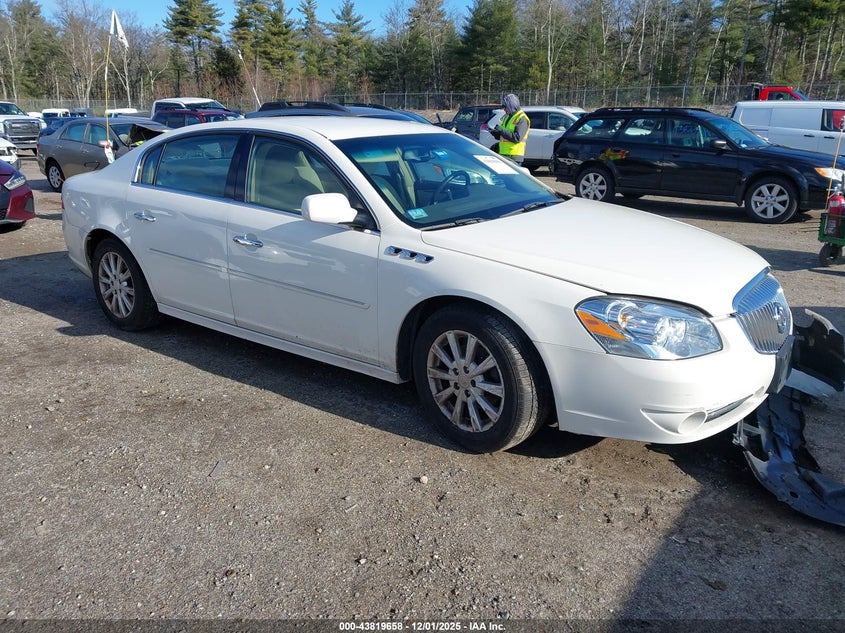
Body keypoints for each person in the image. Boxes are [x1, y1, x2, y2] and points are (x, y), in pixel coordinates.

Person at [490, 94, 530, 165]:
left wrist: (501, 131)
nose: (504, 109)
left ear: (512, 105)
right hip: (504, 154)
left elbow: (517, 138)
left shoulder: (522, 118)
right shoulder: (507, 117)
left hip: (514, 156)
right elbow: (505, 136)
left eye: (506, 107)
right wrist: (496, 134)